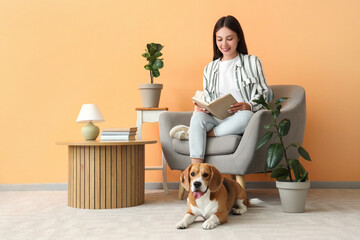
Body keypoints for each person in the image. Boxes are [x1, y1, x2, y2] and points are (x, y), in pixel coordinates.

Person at [170, 15, 269, 164]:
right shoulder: (209, 69)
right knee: (197, 117)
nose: (224, 44)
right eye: (219, 39)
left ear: (238, 38)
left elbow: (265, 94)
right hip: (216, 117)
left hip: (239, 117)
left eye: (229, 38)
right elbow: (208, 97)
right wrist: (203, 107)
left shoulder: (253, 62)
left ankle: (199, 134)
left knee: (247, 116)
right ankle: (197, 171)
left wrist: (249, 105)